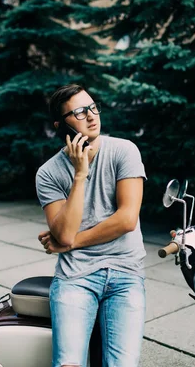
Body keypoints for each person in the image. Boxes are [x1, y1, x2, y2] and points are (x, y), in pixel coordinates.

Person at [35, 84, 147, 367]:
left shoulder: (124, 151)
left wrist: (70, 243)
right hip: (75, 277)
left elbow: (126, 220)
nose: (92, 115)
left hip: (126, 272)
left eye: (93, 107)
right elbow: (63, 232)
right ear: (62, 126)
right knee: (68, 364)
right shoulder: (48, 173)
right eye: (80, 112)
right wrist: (80, 174)